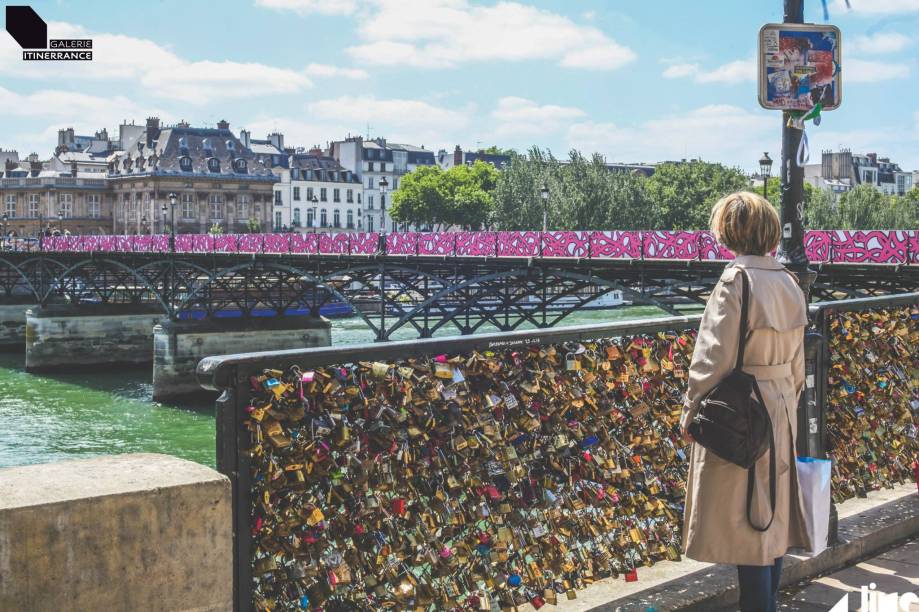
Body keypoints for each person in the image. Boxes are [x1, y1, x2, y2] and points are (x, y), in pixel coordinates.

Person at [679, 192, 811, 612]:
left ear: (729, 232)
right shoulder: (789, 282)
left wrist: (691, 412)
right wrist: (783, 403)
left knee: (748, 523)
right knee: (769, 521)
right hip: (779, 407)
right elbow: (796, 363)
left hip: (743, 408)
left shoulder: (736, 281)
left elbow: (712, 358)